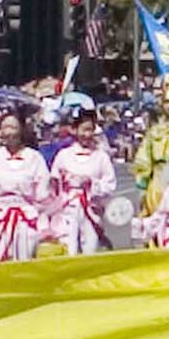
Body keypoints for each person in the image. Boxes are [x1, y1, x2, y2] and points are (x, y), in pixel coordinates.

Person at [0, 112, 52, 264]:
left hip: (25, 219)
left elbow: (43, 194)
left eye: (13, 127)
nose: (9, 132)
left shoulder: (34, 158)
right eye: (5, 127)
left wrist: (43, 223)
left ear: (21, 130)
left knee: (24, 263)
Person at [46, 110, 118, 257]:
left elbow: (110, 185)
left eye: (90, 130)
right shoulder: (64, 155)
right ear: (75, 130)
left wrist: (91, 183)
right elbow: (53, 186)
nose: (87, 134)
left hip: (90, 210)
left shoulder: (101, 156)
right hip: (67, 210)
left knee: (89, 252)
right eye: (84, 130)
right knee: (69, 251)